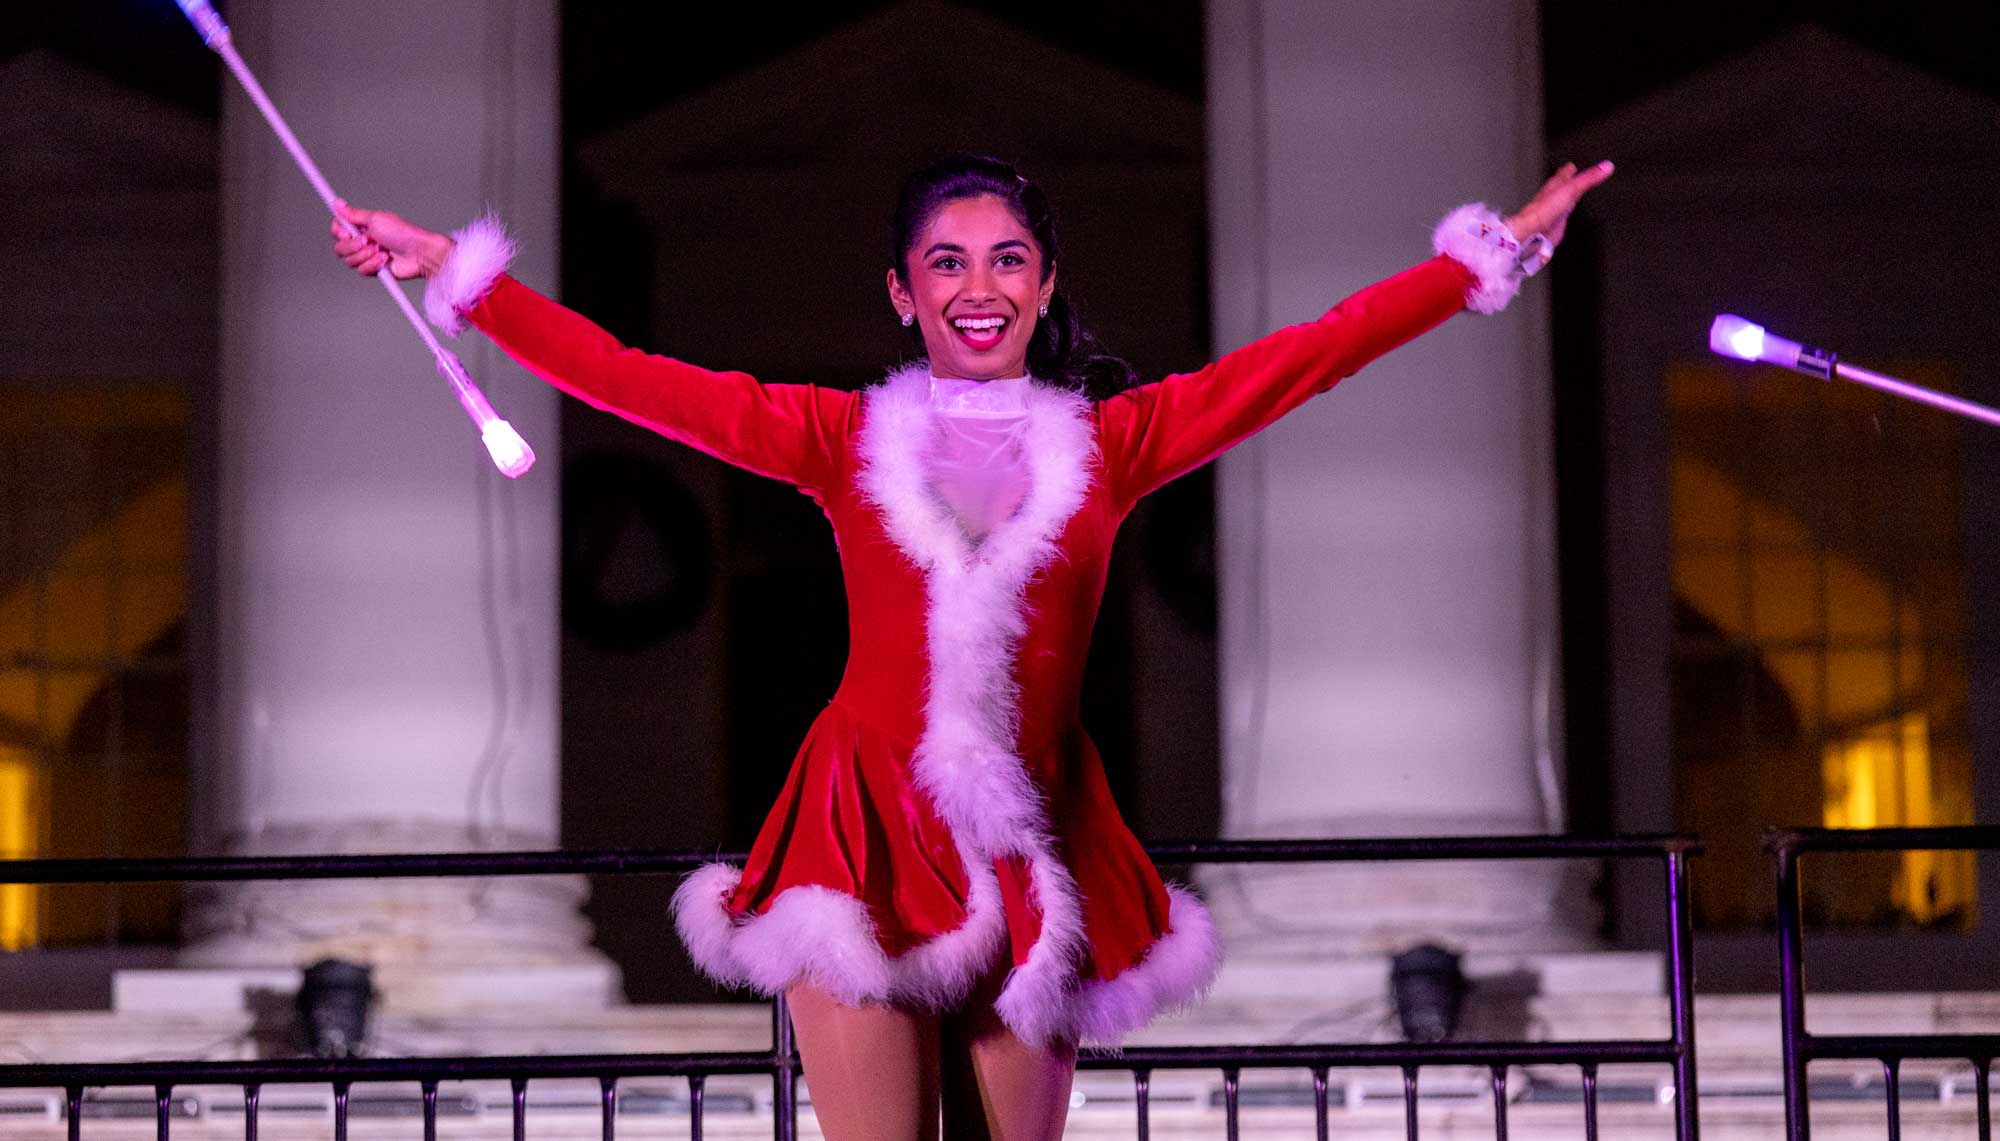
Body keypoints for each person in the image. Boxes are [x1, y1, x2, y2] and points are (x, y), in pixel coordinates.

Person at [331, 153, 1610, 1141]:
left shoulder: (1114, 443)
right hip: (859, 843)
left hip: (1028, 849)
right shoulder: (835, 436)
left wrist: (1479, 260)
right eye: (945, 264)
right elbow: (627, 376)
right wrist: (456, 272)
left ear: (1044, 285)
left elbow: (1307, 358)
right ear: (902, 292)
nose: (978, 288)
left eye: (1007, 261)